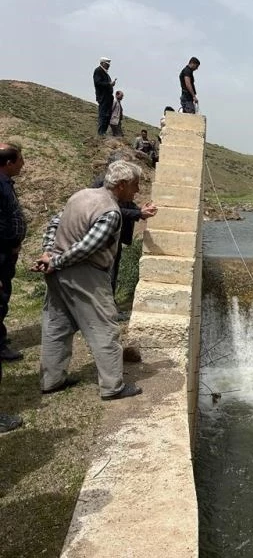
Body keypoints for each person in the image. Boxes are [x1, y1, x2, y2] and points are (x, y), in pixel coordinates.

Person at [35, 161, 144, 400]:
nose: (137, 190)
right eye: (135, 185)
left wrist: (49, 253)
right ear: (122, 184)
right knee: (104, 328)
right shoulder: (110, 211)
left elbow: (55, 222)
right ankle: (113, 387)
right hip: (85, 275)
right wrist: (57, 261)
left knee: (56, 326)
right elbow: (87, 247)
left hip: (58, 273)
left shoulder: (81, 195)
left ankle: (52, 380)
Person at [91, 158, 157, 295]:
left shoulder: (118, 189)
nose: (137, 190)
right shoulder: (103, 187)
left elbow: (126, 205)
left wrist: (140, 211)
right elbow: (113, 210)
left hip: (116, 238)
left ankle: (109, 301)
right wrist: (139, 213)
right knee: (104, 275)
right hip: (104, 240)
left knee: (112, 274)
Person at [0, 144, 26, 362]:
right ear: (8, 163)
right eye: (20, 160)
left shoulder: (5, 183)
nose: (22, 164)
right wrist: (10, 243)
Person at [93, 57, 116, 136]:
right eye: (107, 64)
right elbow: (98, 83)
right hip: (103, 97)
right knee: (103, 114)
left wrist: (110, 85)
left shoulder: (105, 73)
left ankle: (104, 132)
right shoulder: (98, 70)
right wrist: (109, 84)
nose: (108, 66)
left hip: (108, 97)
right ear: (102, 63)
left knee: (107, 115)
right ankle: (101, 132)